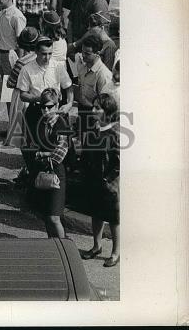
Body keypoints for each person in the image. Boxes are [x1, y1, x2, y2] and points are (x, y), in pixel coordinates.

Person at [79, 90, 120, 268]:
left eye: (98, 108)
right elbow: (86, 156)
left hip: (109, 185)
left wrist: (107, 180)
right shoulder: (92, 130)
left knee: (113, 218)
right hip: (94, 181)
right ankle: (97, 246)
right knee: (96, 214)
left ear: (107, 112)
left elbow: (118, 163)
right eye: (93, 107)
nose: (93, 110)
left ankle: (116, 252)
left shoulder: (114, 135)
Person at [24, 88, 71, 239]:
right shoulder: (39, 122)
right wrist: (39, 154)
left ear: (57, 106)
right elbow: (30, 147)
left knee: (54, 217)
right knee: (45, 215)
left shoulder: (62, 124)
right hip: (42, 172)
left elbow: (59, 155)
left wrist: (41, 154)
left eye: (50, 106)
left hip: (57, 172)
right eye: (43, 106)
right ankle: (53, 244)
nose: (45, 110)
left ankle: (64, 247)